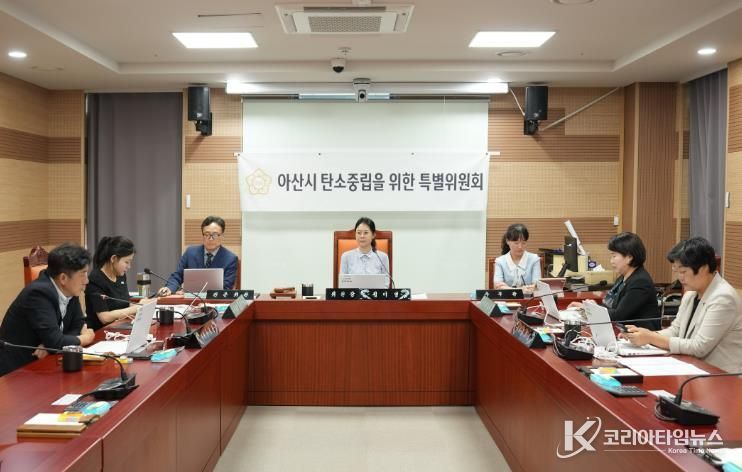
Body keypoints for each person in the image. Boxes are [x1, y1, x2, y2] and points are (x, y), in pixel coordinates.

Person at [624, 237, 742, 372]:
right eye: (677, 272)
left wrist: (650, 337)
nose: (680, 278)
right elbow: (675, 331)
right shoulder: (691, 295)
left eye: (683, 272)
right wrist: (641, 335)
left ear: (703, 268)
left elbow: (699, 347)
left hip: (720, 376)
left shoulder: (723, 298)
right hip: (693, 369)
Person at [0, 243, 95, 376]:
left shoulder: (70, 290)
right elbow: (58, 341)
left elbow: (78, 325)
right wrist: (85, 338)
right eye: (83, 274)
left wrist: (51, 345)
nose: (87, 281)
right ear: (63, 278)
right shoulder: (38, 293)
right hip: (17, 371)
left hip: (45, 364)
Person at [568, 232, 659, 330]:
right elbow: (610, 307)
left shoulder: (640, 282)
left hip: (640, 336)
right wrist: (587, 308)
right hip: (622, 332)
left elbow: (618, 315)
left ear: (629, 257)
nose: (611, 261)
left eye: (614, 256)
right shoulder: (622, 278)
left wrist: (592, 309)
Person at [158, 216, 238, 296]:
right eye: (207, 234)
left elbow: (226, 287)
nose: (210, 238)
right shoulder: (190, 252)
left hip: (215, 300)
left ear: (222, 235)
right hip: (190, 301)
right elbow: (178, 275)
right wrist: (169, 288)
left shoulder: (230, 259)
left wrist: (193, 293)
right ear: (202, 235)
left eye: (215, 235)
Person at [85, 236, 144, 331]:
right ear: (113, 259)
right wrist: (137, 308)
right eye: (126, 262)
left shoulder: (120, 275)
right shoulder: (95, 279)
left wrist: (143, 306)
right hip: (101, 333)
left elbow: (125, 304)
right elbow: (104, 317)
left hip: (121, 328)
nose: (129, 266)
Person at [339, 217, 390, 282]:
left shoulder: (382, 257)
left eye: (366, 233)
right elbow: (343, 283)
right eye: (359, 233)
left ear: (373, 235)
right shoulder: (346, 256)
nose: (362, 236)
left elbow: (386, 283)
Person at [493, 223, 541, 290]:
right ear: (507, 241)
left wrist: (533, 287)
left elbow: (537, 285)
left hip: (529, 296)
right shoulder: (500, 261)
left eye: (523, 243)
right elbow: (498, 286)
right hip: (507, 296)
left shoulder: (534, 259)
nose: (520, 247)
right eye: (516, 243)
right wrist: (521, 290)